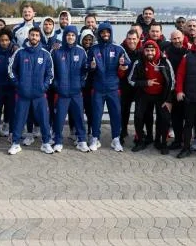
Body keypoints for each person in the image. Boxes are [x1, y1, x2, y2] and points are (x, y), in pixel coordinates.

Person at [8, 27, 54, 155]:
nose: (34, 37)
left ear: (40, 37)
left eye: (37, 35)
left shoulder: (45, 54)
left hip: (40, 94)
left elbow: (50, 75)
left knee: (44, 120)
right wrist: (19, 85)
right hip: (23, 94)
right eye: (32, 35)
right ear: (28, 36)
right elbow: (11, 71)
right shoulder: (20, 53)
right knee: (19, 119)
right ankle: (15, 144)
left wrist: (43, 87)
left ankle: (45, 143)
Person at [87, 22, 130, 152]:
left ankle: (115, 139)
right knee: (96, 114)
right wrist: (92, 66)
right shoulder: (94, 49)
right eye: (103, 32)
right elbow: (87, 65)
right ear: (99, 34)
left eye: (107, 32)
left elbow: (128, 61)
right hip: (98, 88)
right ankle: (95, 138)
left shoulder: (118, 48)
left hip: (113, 88)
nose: (105, 34)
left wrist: (124, 64)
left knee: (115, 114)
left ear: (110, 33)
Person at [128, 40, 175, 154]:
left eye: (152, 50)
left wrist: (169, 100)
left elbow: (172, 82)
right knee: (139, 117)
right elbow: (130, 80)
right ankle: (141, 140)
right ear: (144, 51)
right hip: (144, 93)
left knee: (164, 118)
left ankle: (162, 142)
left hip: (161, 95)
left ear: (156, 50)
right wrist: (145, 83)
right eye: (147, 50)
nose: (150, 53)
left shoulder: (164, 61)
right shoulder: (139, 62)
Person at [51, 25, 90, 152]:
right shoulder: (57, 51)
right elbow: (51, 71)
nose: (70, 37)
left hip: (76, 92)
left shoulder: (81, 51)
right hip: (61, 92)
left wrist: (81, 83)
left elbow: (86, 70)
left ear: (76, 36)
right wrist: (56, 84)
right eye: (68, 35)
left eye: (73, 35)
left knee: (79, 117)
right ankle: (58, 141)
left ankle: (82, 140)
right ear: (64, 36)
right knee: (59, 118)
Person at [165, 29, 188, 150]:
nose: (177, 40)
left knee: (188, 117)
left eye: (179, 38)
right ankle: (177, 141)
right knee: (176, 117)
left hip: (188, 89)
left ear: (183, 37)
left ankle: (187, 141)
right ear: (171, 39)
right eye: (174, 38)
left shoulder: (188, 51)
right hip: (173, 89)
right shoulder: (167, 52)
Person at [120, 29, 142, 144]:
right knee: (124, 110)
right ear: (126, 39)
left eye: (134, 39)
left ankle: (139, 134)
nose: (131, 41)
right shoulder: (121, 49)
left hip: (138, 86)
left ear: (138, 39)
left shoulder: (142, 51)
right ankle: (123, 131)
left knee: (139, 112)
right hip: (124, 85)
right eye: (129, 39)